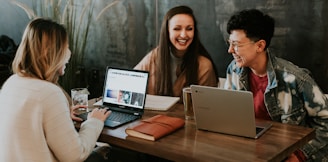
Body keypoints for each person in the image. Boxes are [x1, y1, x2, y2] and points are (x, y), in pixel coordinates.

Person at [0, 18, 112, 162]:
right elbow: (75, 155)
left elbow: (30, 125)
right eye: (66, 47)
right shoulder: (49, 93)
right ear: (50, 53)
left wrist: (61, 114)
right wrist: (94, 122)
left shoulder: (11, 83)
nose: (69, 53)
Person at [225, 9, 328, 161]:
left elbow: (325, 123)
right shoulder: (234, 70)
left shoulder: (295, 79)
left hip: (286, 155)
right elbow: (228, 113)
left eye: (236, 44)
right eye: (229, 43)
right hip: (248, 151)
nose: (230, 50)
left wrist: (300, 155)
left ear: (260, 46)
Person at [134, 5, 218, 99]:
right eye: (177, 29)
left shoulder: (204, 66)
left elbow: (207, 107)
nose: (183, 35)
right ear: (167, 31)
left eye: (189, 29)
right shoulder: (153, 57)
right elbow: (131, 84)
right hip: (154, 114)